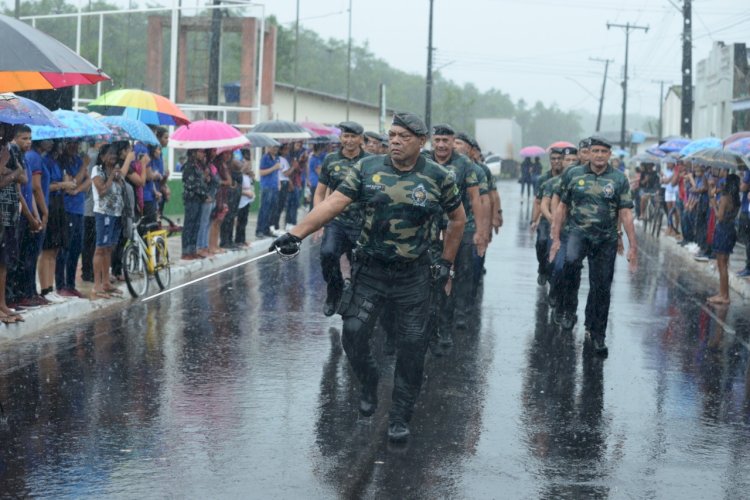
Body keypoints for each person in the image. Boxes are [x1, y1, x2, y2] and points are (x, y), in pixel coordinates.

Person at [271, 112, 466, 442]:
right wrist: (296, 234)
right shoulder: (367, 169)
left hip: (413, 276)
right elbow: (333, 202)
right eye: (392, 135)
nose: (395, 141)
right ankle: (369, 380)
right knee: (354, 334)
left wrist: (446, 263)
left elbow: (457, 220)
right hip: (371, 270)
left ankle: (400, 415)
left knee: (412, 347)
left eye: (404, 137)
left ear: (422, 142)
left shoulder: (438, 177)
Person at [549, 136, 637, 357]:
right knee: (569, 266)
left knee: (602, 287)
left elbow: (625, 213)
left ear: (609, 155)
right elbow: (562, 206)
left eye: (603, 152)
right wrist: (556, 236)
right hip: (577, 234)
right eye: (595, 151)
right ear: (589, 152)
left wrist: (632, 244)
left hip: (605, 239)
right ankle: (568, 310)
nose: (599, 155)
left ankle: (597, 332)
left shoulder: (618, 179)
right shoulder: (573, 174)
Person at [428, 124, 483, 347]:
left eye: (446, 141)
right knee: (428, 281)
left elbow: (475, 198)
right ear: (432, 140)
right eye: (438, 140)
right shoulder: (423, 160)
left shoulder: (464, 164)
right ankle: (427, 330)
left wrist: (480, 231)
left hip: (456, 229)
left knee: (451, 276)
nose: (441, 145)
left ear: (453, 142)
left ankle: (445, 328)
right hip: (427, 231)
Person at [315, 121, 369, 316]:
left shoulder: (371, 161)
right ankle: (334, 291)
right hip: (336, 221)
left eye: (353, 136)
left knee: (362, 265)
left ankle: (355, 301)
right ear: (340, 138)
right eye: (346, 136)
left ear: (361, 139)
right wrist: (318, 221)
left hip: (363, 224)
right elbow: (320, 193)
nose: (349, 140)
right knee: (328, 254)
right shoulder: (331, 160)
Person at [0, 124, 31, 323]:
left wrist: (9, 171)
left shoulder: (9, 150)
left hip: (10, 211)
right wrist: (14, 172)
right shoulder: (5, 151)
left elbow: (24, 179)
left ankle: (2, 303)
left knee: (4, 260)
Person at [38, 141, 73, 303]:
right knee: (47, 250)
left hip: (59, 206)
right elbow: (46, 186)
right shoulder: (44, 161)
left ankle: (50, 287)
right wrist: (63, 184)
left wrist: (65, 183)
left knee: (55, 250)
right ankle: (45, 288)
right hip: (49, 204)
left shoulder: (57, 162)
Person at [56, 140, 90, 298]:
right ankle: (60, 284)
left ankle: (71, 284)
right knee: (64, 249)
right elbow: (72, 182)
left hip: (79, 209)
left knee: (77, 247)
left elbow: (88, 181)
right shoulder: (62, 161)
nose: (74, 146)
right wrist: (83, 168)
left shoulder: (77, 159)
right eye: (71, 143)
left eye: (77, 143)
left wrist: (77, 191)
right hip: (67, 209)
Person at [91, 144, 125, 299]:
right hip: (103, 213)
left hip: (116, 214)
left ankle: (106, 282)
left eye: (115, 154)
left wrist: (118, 177)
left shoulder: (116, 171)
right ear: (102, 156)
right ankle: (97, 285)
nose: (113, 156)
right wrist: (112, 176)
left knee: (109, 248)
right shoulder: (97, 170)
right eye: (110, 154)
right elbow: (102, 190)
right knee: (100, 248)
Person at [531, 147, 564, 285]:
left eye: (559, 159)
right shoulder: (543, 179)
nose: (556, 161)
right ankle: (542, 268)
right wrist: (534, 220)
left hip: (563, 220)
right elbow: (538, 202)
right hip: (546, 219)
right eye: (553, 159)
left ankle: (553, 277)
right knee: (541, 242)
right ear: (549, 161)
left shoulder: (568, 178)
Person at [707, 171, 739, 304]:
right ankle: (723, 294)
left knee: (722, 264)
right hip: (731, 230)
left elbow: (719, 216)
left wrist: (715, 205)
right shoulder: (735, 199)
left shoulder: (725, 198)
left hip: (723, 230)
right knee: (724, 263)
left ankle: (724, 295)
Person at [181, 149, 209, 260]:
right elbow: (191, 185)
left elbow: (201, 183)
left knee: (196, 225)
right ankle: (185, 251)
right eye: (201, 151)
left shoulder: (199, 166)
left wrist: (205, 177)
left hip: (199, 199)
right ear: (194, 152)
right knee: (189, 224)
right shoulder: (188, 167)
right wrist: (203, 193)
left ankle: (192, 250)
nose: (203, 154)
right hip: (192, 199)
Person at [256, 145, 281, 239]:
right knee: (264, 209)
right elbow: (261, 172)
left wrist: (278, 183)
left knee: (272, 209)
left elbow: (277, 173)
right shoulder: (265, 158)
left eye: (277, 148)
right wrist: (274, 167)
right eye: (273, 147)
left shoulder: (277, 158)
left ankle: (267, 229)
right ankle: (259, 230)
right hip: (266, 186)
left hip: (274, 186)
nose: (275, 149)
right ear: (269, 148)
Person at [235, 151, 255, 247]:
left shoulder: (248, 175)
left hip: (247, 200)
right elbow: (237, 188)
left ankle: (242, 239)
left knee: (244, 220)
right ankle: (238, 240)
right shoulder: (239, 175)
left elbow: (251, 185)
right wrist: (245, 193)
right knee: (239, 221)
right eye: (246, 164)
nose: (248, 166)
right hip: (240, 200)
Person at [736, 164, 750, 277]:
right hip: (746, 208)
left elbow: (743, 187)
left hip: (747, 210)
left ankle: (748, 267)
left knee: (747, 240)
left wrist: (741, 181)